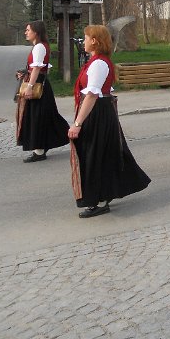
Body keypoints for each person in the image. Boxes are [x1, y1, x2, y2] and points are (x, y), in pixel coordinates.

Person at [67, 25, 150, 218]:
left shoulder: (99, 64)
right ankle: (101, 195)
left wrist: (77, 124)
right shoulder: (96, 62)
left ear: (95, 40)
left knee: (95, 155)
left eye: (86, 37)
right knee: (99, 154)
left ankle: (98, 199)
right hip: (99, 112)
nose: (84, 41)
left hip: (98, 113)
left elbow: (92, 96)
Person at [15, 21, 69, 163]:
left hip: (38, 85)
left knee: (37, 117)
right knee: (43, 116)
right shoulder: (39, 46)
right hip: (39, 83)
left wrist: (29, 86)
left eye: (28, 30)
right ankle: (41, 148)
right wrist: (25, 73)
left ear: (36, 32)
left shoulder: (39, 47)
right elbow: (38, 68)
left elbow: (38, 69)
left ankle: (39, 151)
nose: (26, 32)